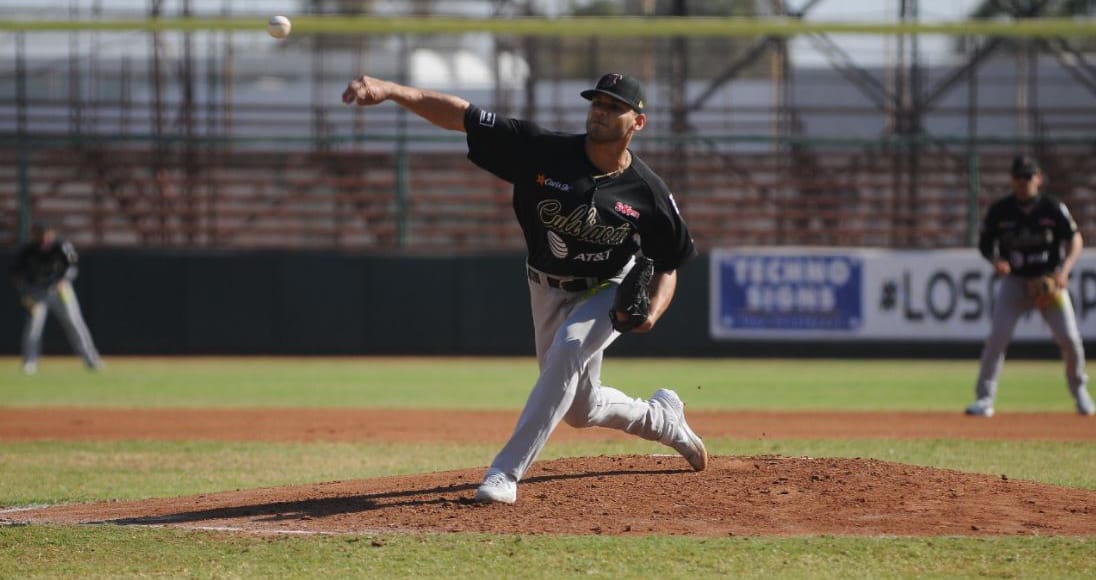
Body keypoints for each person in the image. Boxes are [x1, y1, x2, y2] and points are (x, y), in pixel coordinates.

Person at [342, 72, 707, 503]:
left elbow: (671, 263)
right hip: (545, 287)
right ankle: (664, 420)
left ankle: (505, 472)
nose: (600, 111)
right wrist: (390, 91)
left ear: (637, 123)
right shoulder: (543, 151)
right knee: (580, 410)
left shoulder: (648, 192)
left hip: (607, 287)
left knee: (570, 347)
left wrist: (653, 313)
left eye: (613, 106)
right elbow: (464, 117)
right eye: (597, 103)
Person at [967, 155, 1093, 417]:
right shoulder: (1001, 211)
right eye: (1019, 177)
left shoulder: (1052, 208)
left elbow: (1075, 239)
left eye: (1028, 176)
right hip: (1015, 282)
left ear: (1038, 178)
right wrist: (996, 260)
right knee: (997, 339)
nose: (1024, 182)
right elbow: (985, 244)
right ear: (1012, 180)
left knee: (1069, 339)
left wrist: (1064, 271)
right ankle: (984, 399)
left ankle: (1080, 391)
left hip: (1049, 284)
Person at [9, 222, 103, 375]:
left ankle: (91, 359)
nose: (43, 237)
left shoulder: (62, 246)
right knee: (33, 327)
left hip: (61, 291)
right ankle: (30, 362)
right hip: (37, 292)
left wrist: (64, 280)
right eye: (39, 234)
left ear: (52, 233)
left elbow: (72, 265)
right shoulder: (27, 250)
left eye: (46, 234)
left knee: (74, 323)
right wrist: (25, 293)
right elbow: (16, 274)